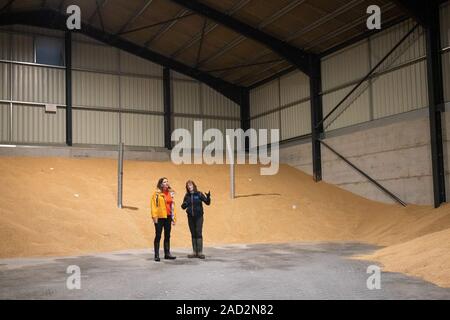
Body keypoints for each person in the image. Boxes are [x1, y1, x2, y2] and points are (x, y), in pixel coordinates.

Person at [181, 180, 211, 259]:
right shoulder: (187, 196)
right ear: (187, 187)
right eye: (188, 186)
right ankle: (194, 252)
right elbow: (183, 206)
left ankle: (200, 252)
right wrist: (184, 204)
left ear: (194, 186)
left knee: (198, 232)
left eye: (191, 185)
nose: (189, 187)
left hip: (199, 217)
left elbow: (207, 203)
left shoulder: (199, 194)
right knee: (193, 233)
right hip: (190, 217)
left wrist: (208, 197)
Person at [151, 177, 177, 262]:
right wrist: (154, 217)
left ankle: (167, 254)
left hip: (168, 216)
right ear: (161, 184)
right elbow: (153, 206)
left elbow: (173, 206)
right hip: (159, 217)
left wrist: (174, 217)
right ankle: (156, 255)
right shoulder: (156, 194)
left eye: (167, 181)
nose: (166, 183)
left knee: (167, 235)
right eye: (164, 182)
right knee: (158, 235)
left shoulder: (170, 193)